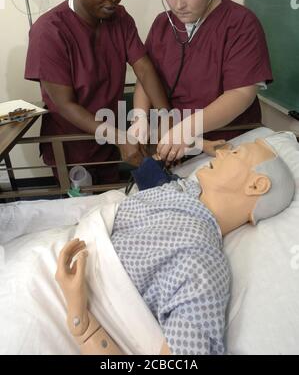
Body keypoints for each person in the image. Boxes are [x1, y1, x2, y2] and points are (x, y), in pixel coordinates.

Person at [55, 137, 295, 355]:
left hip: (57, 300)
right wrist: (197, 143)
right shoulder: (184, 191)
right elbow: (152, 167)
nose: (221, 153)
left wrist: (82, 324)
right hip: (61, 245)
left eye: (235, 154)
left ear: (256, 185)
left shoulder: (201, 264)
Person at [24, 0, 170, 184]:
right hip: (71, 148)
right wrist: (118, 136)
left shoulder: (120, 19)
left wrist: (167, 120)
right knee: (81, 212)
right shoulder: (49, 32)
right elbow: (65, 105)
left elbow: (144, 68)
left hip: (108, 143)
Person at [130, 0, 273, 164]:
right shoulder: (161, 24)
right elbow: (146, 76)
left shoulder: (240, 23)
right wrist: (139, 117)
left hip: (228, 145)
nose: (178, 5)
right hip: (176, 146)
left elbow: (241, 93)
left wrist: (187, 128)